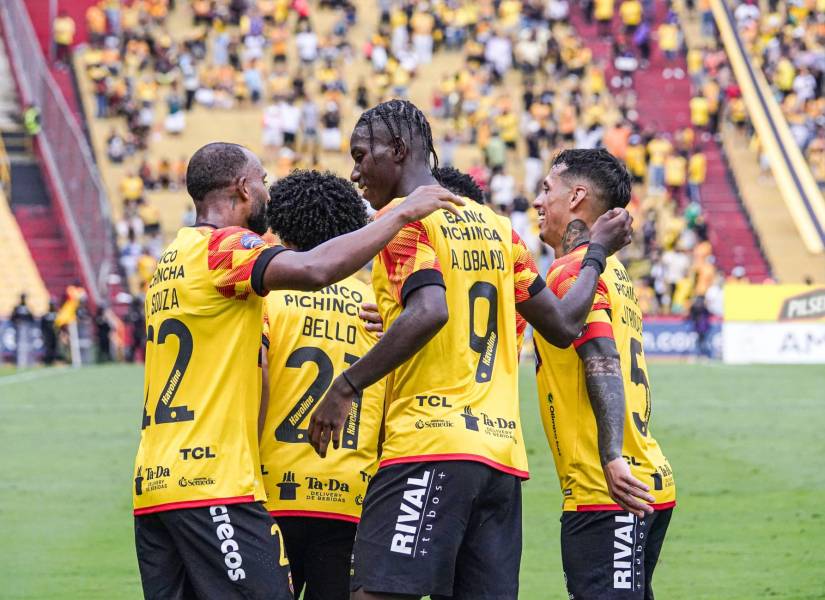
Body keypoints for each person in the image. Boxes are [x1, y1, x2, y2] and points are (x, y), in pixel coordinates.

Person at [307, 100, 633, 600]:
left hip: (429, 443)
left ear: (397, 150)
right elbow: (565, 325)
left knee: (377, 593)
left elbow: (430, 311)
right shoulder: (499, 229)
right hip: (500, 462)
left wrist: (345, 386)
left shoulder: (402, 218)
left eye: (361, 154)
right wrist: (596, 252)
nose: (354, 172)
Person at [132, 141, 462, 599]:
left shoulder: (172, 258)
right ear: (244, 188)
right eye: (264, 182)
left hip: (154, 486)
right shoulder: (227, 247)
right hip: (214, 483)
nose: (268, 192)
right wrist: (399, 216)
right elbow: (314, 268)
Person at [531, 149, 676, 599]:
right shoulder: (612, 272)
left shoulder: (574, 271)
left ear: (576, 197)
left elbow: (602, 358)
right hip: (646, 480)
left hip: (607, 488)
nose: (538, 202)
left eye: (546, 190)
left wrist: (611, 455)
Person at [259, 170, 386, 600]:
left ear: (278, 224)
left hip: (271, 493)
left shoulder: (265, 298)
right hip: (352, 498)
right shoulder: (378, 308)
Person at [11, 294, 35, 368]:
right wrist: (17, 322)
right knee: (19, 347)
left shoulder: (28, 308)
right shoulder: (17, 307)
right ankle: (19, 362)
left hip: (27, 331)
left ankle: (28, 362)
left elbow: (32, 318)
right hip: (19, 331)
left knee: (28, 346)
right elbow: (13, 317)